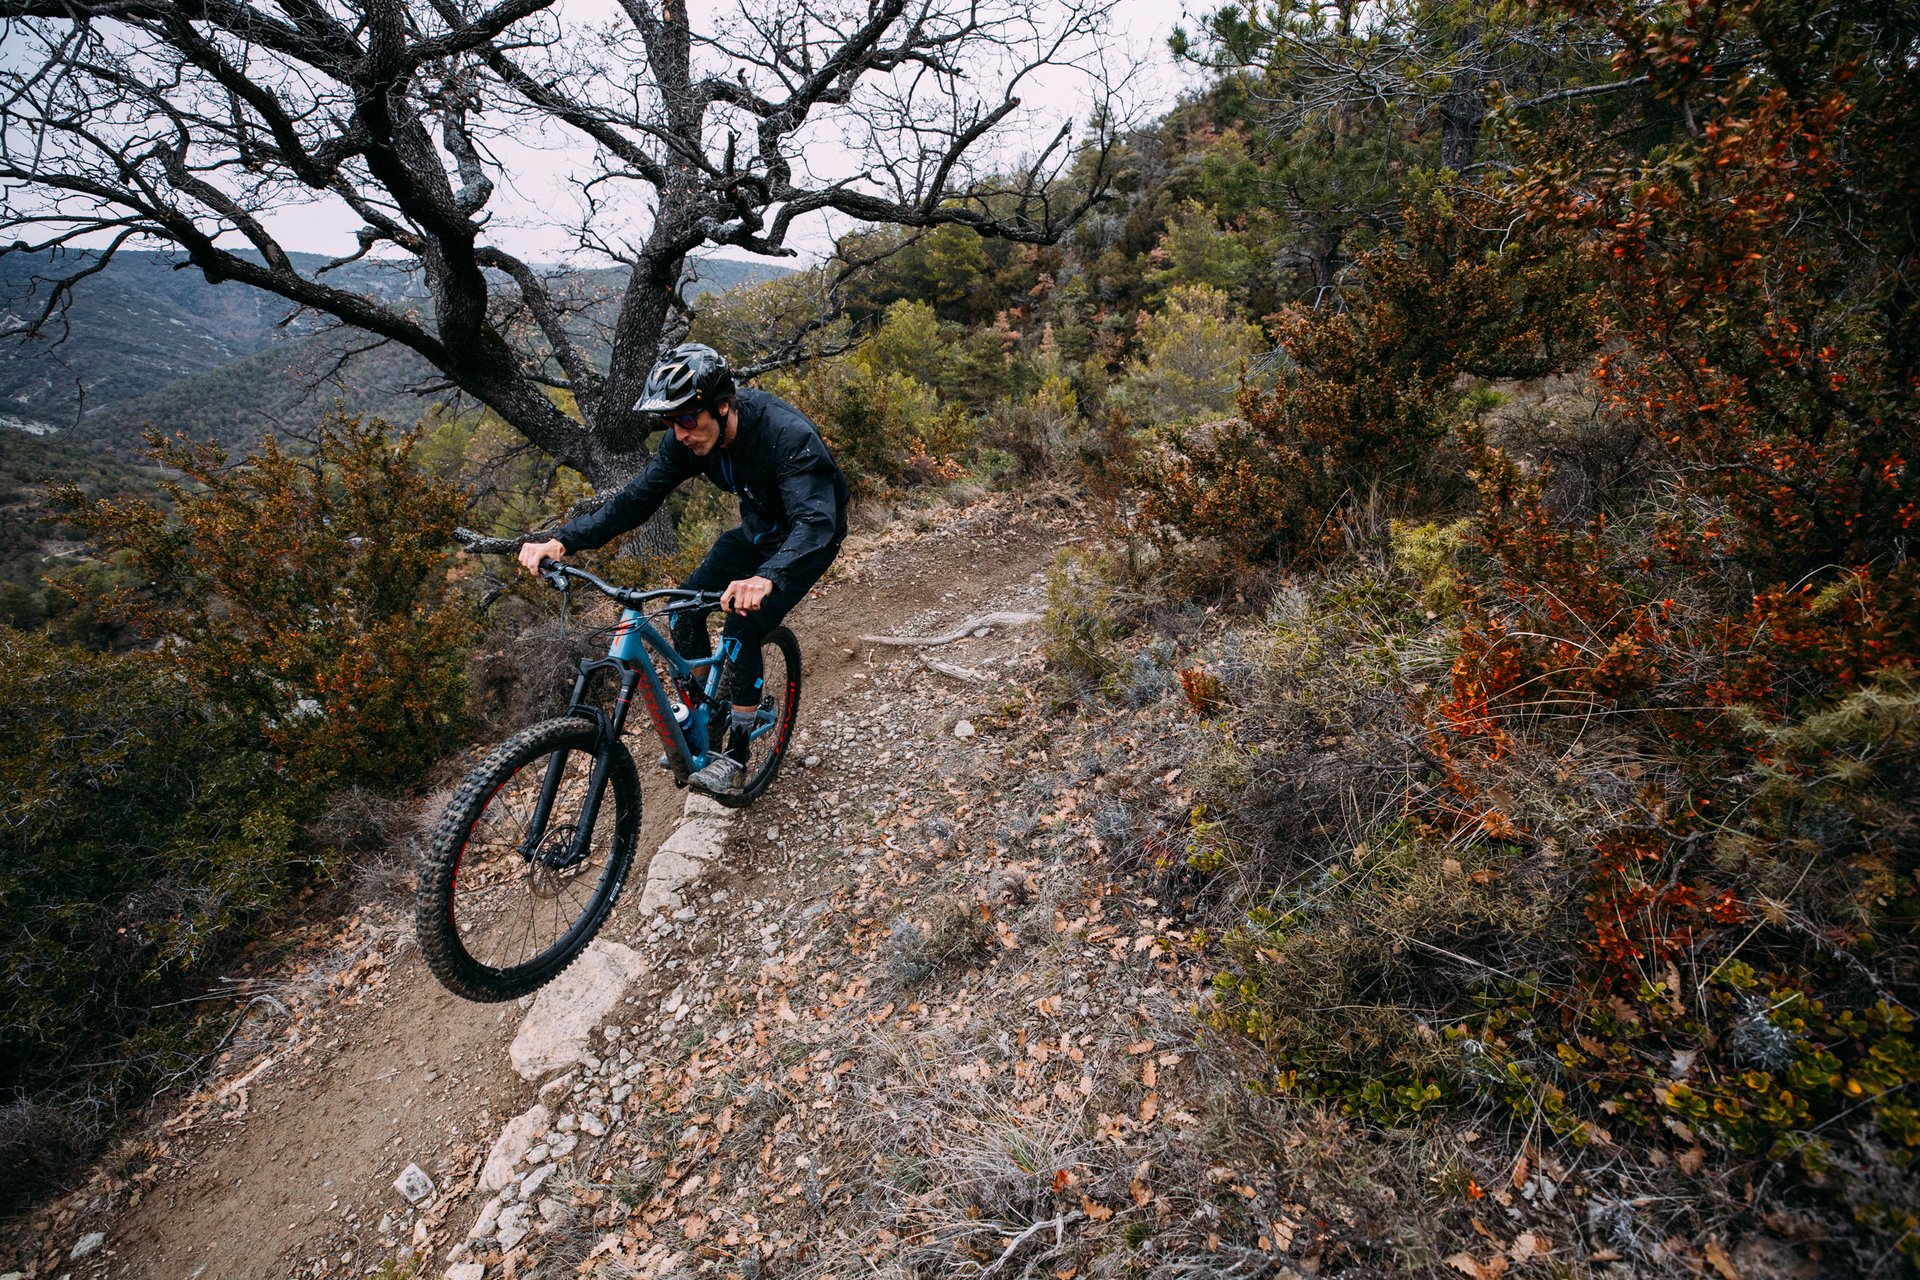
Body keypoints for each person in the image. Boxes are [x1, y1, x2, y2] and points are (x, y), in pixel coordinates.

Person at [518, 343, 848, 795]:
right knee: (680, 609)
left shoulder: (784, 435)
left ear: (724, 406)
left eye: (688, 420)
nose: (680, 433)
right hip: (754, 534)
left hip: (807, 543)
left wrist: (767, 577)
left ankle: (736, 754)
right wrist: (565, 538)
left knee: (743, 623)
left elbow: (814, 523)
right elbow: (636, 500)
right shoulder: (687, 441)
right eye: (670, 423)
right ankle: (706, 716)